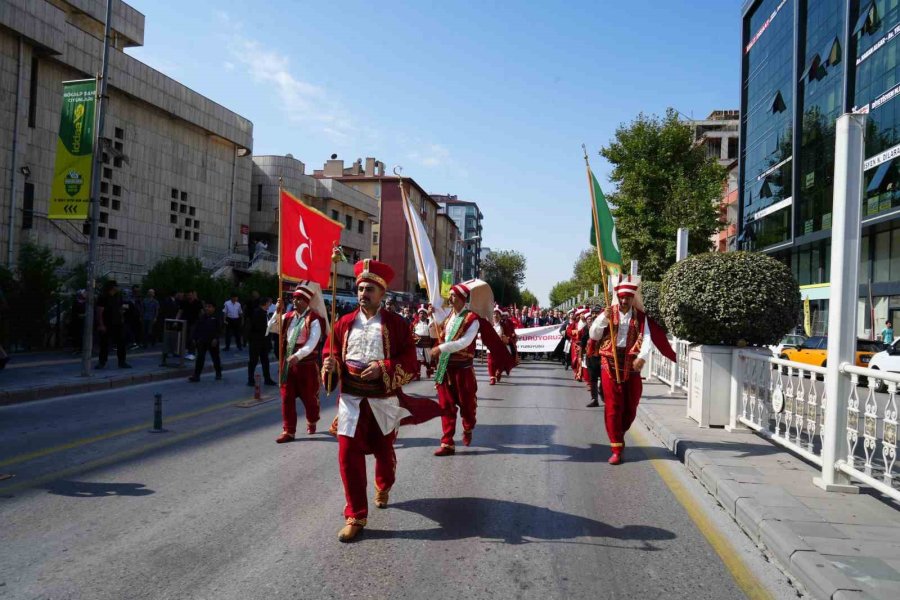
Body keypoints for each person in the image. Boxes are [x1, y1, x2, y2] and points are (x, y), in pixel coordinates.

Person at [322, 259, 442, 543]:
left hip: (382, 401)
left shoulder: (397, 325)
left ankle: (384, 485)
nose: (363, 293)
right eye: (361, 288)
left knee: (384, 454)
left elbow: (411, 364)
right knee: (347, 454)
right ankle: (356, 515)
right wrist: (330, 366)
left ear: (382, 294)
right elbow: (332, 353)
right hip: (351, 401)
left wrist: (384, 367)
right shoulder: (342, 323)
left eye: (370, 289)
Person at [588, 278, 653, 465]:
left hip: (631, 364)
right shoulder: (608, 313)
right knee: (613, 406)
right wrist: (603, 319)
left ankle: (620, 432)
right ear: (618, 297)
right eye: (622, 298)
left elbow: (647, 338)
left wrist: (642, 357)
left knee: (631, 405)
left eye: (628, 298)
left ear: (633, 299)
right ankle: (616, 447)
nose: (624, 302)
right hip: (609, 362)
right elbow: (594, 335)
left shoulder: (640, 317)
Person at [268, 284, 326, 441]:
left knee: (310, 399)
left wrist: (298, 356)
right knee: (286, 397)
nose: (295, 301)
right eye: (294, 298)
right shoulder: (288, 316)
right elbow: (271, 328)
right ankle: (289, 430)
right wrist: (277, 312)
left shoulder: (314, 319)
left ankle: (312, 420)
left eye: (299, 299)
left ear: (307, 301)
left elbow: (313, 342)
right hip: (288, 364)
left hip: (306, 366)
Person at [96, 280, 130, 369]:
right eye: (116, 286)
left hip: (118, 323)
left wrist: (122, 317)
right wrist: (101, 324)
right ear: (112, 287)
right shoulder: (103, 297)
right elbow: (100, 311)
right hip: (107, 323)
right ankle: (102, 362)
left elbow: (121, 308)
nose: (118, 288)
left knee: (121, 343)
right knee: (104, 343)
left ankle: (122, 362)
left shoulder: (118, 296)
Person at [187, 300, 222, 382]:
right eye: (206, 306)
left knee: (215, 358)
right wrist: (195, 338)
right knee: (200, 358)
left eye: (209, 307)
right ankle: (196, 376)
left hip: (213, 341)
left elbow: (219, 329)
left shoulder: (217, 317)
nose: (207, 308)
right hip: (202, 340)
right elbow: (197, 328)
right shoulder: (202, 317)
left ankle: (218, 373)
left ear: (213, 308)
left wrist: (216, 338)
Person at [247, 296, 277, 388]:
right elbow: (257, 327)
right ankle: (250, 379)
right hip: (256, 341)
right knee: (253, 361)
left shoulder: (264, 313)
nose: (270, 305)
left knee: (265, 360)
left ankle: (267, 379)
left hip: (263, 341)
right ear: (265, 303)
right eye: (269, 303)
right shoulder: (257, 313)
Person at [580, 305, 604, 408]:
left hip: (603, 355)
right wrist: (581, 355)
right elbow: (583, 341)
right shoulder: (588, 326)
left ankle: (603, 393)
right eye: (593, 313)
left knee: (604, 378)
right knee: (593, 378)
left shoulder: (605, 325)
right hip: (591, 355)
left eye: (597, 313)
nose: (595, 315)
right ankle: (594, 399)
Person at [488, 307, 515, 384]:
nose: (495, 316)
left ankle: (499, 371)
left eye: (497, 314)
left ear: (500, 316)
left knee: (500, 362)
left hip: (500, 346)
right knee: (490, 362)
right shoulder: (489, 324)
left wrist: (506, 337)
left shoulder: (503, 325)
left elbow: (508, 334)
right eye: (494, 314)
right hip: (490, 346)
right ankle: (492, 378)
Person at [412, 305, 437, 379]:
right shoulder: (414, 324)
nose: (421, 315)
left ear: (426, 315)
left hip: (427, 345)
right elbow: (411, 333)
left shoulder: (429, 323)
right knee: (418, 361)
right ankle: (417, 375)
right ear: (418, 315)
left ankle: (428, 373)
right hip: (418, 345)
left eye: (423, 313)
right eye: (420, 313)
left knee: (428, 361)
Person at [178, 291, 203, 360]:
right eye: (188, 295)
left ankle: (192, 353)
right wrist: (176, 320)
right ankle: (186, 351)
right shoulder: (184, 302)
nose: (189, 296)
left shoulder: (198, 302)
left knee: (191, 337)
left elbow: (201, 312)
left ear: (193, 295)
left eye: (190, 295)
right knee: (184, 337)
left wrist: (203, 321)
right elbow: (180, 311)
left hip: (194, 322)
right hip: (185, 322)